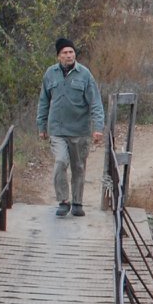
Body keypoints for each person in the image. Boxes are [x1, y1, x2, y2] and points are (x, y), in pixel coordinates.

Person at [35, 37, 104, 217]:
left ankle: (77, 202)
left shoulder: (85, 75)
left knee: (78, 167)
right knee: (60, 162)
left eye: (71, 52)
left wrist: (98, 127)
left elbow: (95, 102)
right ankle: (63, 201)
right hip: (57, 130)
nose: (68, 55)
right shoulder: (50, 74)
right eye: (64, 53)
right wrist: (41, 126)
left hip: (80, 131)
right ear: (58, 56)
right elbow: (43, 102)